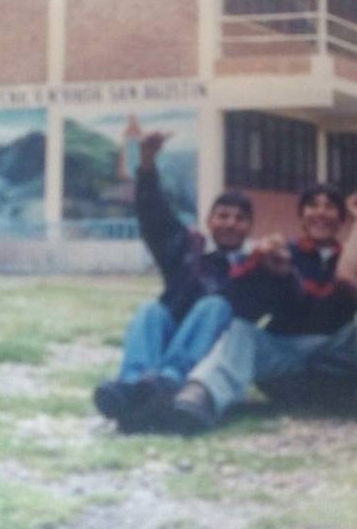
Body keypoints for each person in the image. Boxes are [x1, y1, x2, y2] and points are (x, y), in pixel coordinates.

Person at [168, 185, 357, 439]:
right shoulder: (281, 251)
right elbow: (242, 301)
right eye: (313, 205)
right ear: (301, 215)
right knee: (241, 331)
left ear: (341, 219)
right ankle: (203, 394)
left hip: (336, 357)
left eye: (330, 207)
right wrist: (267, 270)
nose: (321, 213)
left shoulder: (355, 261)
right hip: (284, 356)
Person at [93, 131, 254, 432]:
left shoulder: (253, 266)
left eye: (239, 218)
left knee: (215, 306)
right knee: (150, 311)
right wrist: (147, 162)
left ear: (249, 227)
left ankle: (169, 382)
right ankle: (132, 385)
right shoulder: (186, 249)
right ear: (209, 221)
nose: (230, 223)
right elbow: (154, 215)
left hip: (207, 352)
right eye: (223, 216)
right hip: (170, 338)